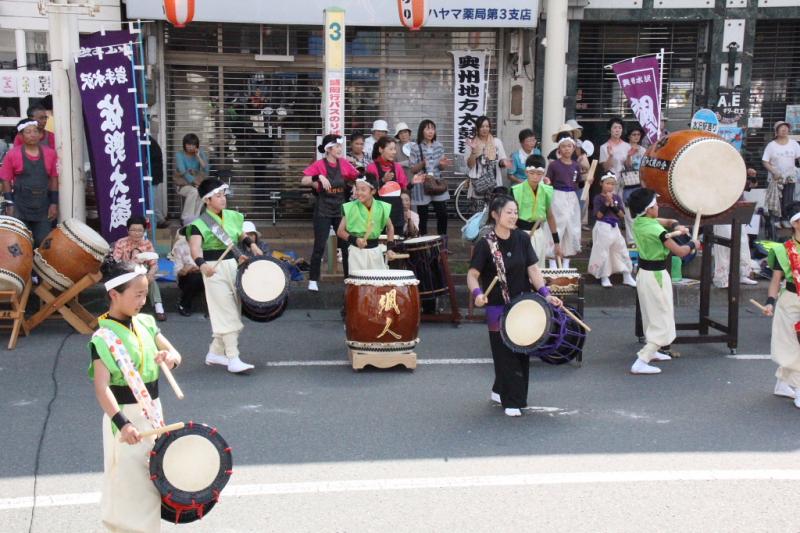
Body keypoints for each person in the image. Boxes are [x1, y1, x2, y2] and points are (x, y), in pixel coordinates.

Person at [88, 261, 182, 532]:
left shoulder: (146, 322)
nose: (142, 301)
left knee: (150, 477)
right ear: (114, 295)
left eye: (145, 293)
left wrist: (169, 358)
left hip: (152, 411)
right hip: (125, 415)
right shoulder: (103, 336)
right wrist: (121, 422)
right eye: (137, 295)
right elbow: (102, 387)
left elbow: (175, 354)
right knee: (127, 481)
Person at [467, 195, 563, 417]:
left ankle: (502, 390)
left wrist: (546, 294)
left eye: (515, 212)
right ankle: (512, 400)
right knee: (504, 352)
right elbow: (472, 275)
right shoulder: (486, 243)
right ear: (495, 214)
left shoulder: (521, 238)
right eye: (508, 212)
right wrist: (478, 293)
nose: (513, 216)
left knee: (521, 351)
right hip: (497, 307)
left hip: (521, 305)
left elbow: (533, 270)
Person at [185, 178, 263, 373]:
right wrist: (202, 266)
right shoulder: (199, 224)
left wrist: (252, 244)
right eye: (217, 196)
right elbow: (195, 249)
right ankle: (233, 358)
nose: (222, 199)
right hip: (214, 268)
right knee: (226, 312)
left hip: (234, 265)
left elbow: (240, 235)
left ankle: (214, 353)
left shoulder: (234, 216)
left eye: (223, 195)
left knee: (233, 310)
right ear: (207, 200)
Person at [627, 188, 698, 375]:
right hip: (656, 275)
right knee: (662, 317)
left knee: (652, 314)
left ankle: (654, 352)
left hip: (644, 274)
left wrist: (676, 227)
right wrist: (694, 244)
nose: (658, 207)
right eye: (655, 205)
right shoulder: (656, 229)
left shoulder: (640, 222)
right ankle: (642, 359)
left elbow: (667, 222)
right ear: (649, 209)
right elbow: (681, 252)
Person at [301, 134, 359, 291]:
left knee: (346, 245)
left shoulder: (345, 164)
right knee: (319, 245)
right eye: (337, 146)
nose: (340, 149)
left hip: (340, 207)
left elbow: (357, 176)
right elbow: (304, 180)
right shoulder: (319, 164)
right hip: (323, 209)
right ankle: (313, 279)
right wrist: (318, 177)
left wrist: (355, 185)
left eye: (340, 146)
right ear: (328, 149)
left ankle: (349, 279)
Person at [761, 207, 800, 409]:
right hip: (791, 299)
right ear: (794, 224)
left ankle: (783, 384)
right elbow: (777, 280)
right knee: (792, 344)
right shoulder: (782, 250)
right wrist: (770, 301)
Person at [0, 119, 58, 247]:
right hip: (20, 206)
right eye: (28, 132)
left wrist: (54, 203)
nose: (33, 134)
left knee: (43, 243)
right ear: (20, 135)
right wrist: (10, 204)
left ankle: (39, 267)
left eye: (35, 131)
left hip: (43, 206)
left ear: (40, 134)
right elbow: (5, 180)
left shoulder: (50, 153)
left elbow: (54, 179)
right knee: (21, 243)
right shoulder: (12, 154)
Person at [112, 215, 166, 321]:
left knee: (150, 280)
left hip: (143, 273)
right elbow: (116, 261)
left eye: (140, 230)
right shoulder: (121, 242)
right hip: (126, 272)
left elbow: (154, 263)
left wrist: (151, 274)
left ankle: (159, 308)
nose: (137, 233)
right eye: (133, 230)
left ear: (144, 231)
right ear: (128, 230)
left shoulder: (147, 244)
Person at [511, 154, 561, 268]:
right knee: (520, 268)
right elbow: (509, 217)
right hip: (519, 233)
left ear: (543, 174)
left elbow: (550, 216)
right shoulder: (516, 190)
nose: (535, 177)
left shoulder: (547, 191)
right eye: (532, 173)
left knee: (537, 269)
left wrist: (556, 242)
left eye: (539, 174)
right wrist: (515, 235)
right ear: (526, 172)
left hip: (538, 234)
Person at [588, 172, 636, 288]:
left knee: (621, 250)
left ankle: (627, 275)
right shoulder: (598, 198)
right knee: (603, 252)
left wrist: (612, 205)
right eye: (607, 183)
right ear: (601, 184)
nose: (610, 186)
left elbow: (621, 214)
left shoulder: (617, 198)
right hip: (603, 226)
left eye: (612, 184)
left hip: (614, 227)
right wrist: (606, 204)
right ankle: (604, 276)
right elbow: (598, 215)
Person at [337, 176, 395, 272]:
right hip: (356, 251)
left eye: (363, 189)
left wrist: (390, 248)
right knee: (359, 285)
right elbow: (340, 231)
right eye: (357, 189)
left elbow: (390, 227)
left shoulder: (381, 207)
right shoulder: (350, 207)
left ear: (373, 191)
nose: (359, 193)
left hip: (376, 250)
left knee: (376, 284)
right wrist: (355, 240)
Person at [545, 137, 587, 269]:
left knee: (572, 227)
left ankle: (566, 262)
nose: (567, 148)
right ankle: (553, 261)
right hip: (557, 196)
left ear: (574, 148)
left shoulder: (576, 165)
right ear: (559, 149)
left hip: (572, 198)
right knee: (557, 226)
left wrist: (587, 181)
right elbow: (548, 181)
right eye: (564, 146)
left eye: (569, 146)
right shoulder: (554, 165)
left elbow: (579, 183)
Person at [408, 119, 451, 236]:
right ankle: (423, 243)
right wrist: (422, 164)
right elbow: (412, 169)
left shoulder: (439, 146)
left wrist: (442, 165)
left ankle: (442, 242)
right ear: (422, 131)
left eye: (432, 128)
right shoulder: (415, 147)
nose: (430, 131)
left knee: (442, 214)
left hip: (437, 183)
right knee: (423, 216)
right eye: (427, 128)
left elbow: (441, 168)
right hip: (421, 185)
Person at [367, 136, 408, 234]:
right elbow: (368, 191)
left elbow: (403, 188)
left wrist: (413, 183)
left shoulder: (397, 167)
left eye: (395, 149)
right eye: (391, 149)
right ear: (381, 149)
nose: (394, 152)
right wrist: (383, 180)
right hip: (378, 213)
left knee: (397, 243)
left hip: (396, 211)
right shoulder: (371, 167)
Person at [762, 121, 800, 228]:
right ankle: (775, 220)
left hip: (790, 178)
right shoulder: (771, 146)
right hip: (775, 178)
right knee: (776, 200)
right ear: (776, 131)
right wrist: (774, 171)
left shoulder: (794, 144)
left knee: (788, 200)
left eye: (786, 128)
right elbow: (765, 161)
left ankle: (785, 219)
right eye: (781, 128)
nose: (784, 130)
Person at [466, 116, 511, 195]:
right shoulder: (472, 143)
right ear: (477, 128)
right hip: (478, 184)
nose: (485, 129)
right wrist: (474, 152)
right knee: (478, 207)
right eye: (482, 126)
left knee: (495, 206)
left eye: (487, 126)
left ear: (490, 128)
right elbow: (469, 165)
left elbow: (501, 161)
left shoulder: (497, 142)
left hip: (495, 183)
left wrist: (503, 162)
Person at [175, 133, 210, 226]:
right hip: (183, 185)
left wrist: (198, 156)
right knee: (194, 191)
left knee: (202, 193)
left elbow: (206, 169)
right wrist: (195, 183)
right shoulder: (179, 155)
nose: (190, 147)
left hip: (197, 184)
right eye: (188, 144)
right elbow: (183, 172)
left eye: (193, 145)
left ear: (197, 145)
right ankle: (186, 218)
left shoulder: (200, 153)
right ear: (184, 144)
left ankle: (195, 217)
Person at [621, 126, 647, 244]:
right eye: (634, 134)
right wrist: (629, 155)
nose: (636, 137)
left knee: (640, 213)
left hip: (640, 183)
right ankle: (631, 240)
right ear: (629, 136)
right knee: (628, 213)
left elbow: (645, 167)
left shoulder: (643, 150)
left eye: (638, 134)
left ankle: (640, 240)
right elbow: (627, 166)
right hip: (627, 183)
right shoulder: (625, 148)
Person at [170, 232, 204, 317]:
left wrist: (199, 267)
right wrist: (188, 269)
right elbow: (178, 270)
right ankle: (184, 304)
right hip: (186, 278)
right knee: (194, 278)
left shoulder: (207, 244)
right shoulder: (180, 246)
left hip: (205, 274)